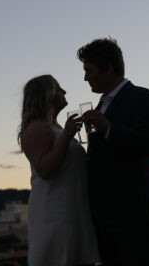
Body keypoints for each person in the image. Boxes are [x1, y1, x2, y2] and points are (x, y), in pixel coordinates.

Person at [79, 38, 149, 266]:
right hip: (104, 219)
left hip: (137, 217)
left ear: (108, 68)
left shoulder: (143, 98)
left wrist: (109, 128)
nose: (85, 77)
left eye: (89, 70)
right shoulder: (100, 107)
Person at [19, 74, 100, 266]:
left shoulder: (54, 128)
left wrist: (91, 133)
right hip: (55, 214)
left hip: (72, 211)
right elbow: (45, 169)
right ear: (45, 95)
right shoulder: (36, 128)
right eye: (58, 89)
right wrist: (67, 136)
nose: (64, 92)